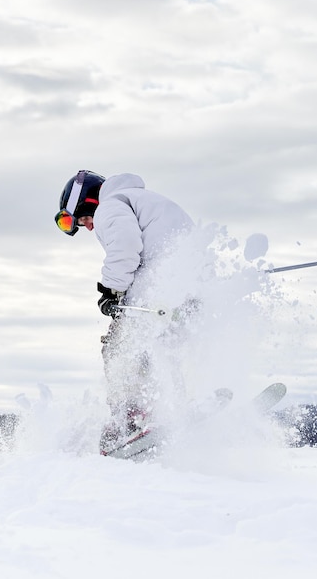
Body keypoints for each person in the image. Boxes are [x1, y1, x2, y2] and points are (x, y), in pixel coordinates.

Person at [55, 170, 194, 451]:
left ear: (87, 201)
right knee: (165, 348)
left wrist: (110, 292)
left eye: (82, 219)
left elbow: (125, 247)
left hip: (159, 287)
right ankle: (175, 406)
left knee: (119, 347)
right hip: (192, 289)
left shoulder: (110, 207)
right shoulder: (145, 200)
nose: (88, 227)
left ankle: (134, 416)